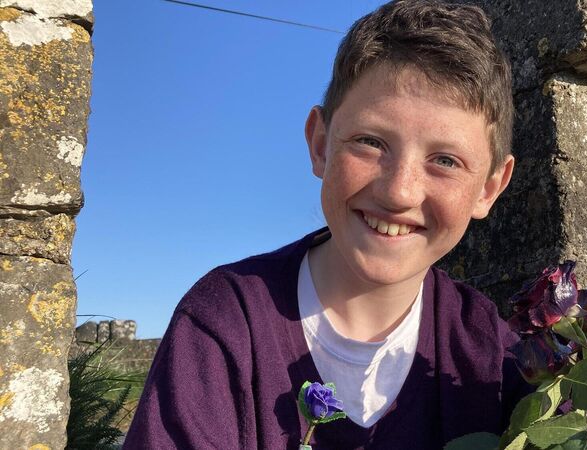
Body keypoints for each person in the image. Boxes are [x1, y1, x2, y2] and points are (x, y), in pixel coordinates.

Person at [123, 1, 530, 448]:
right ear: (320, 144)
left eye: (446, 161)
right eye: (370, 142)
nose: (400, 192)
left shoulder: (498, 358)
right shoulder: (223, 325)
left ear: (489, 188)